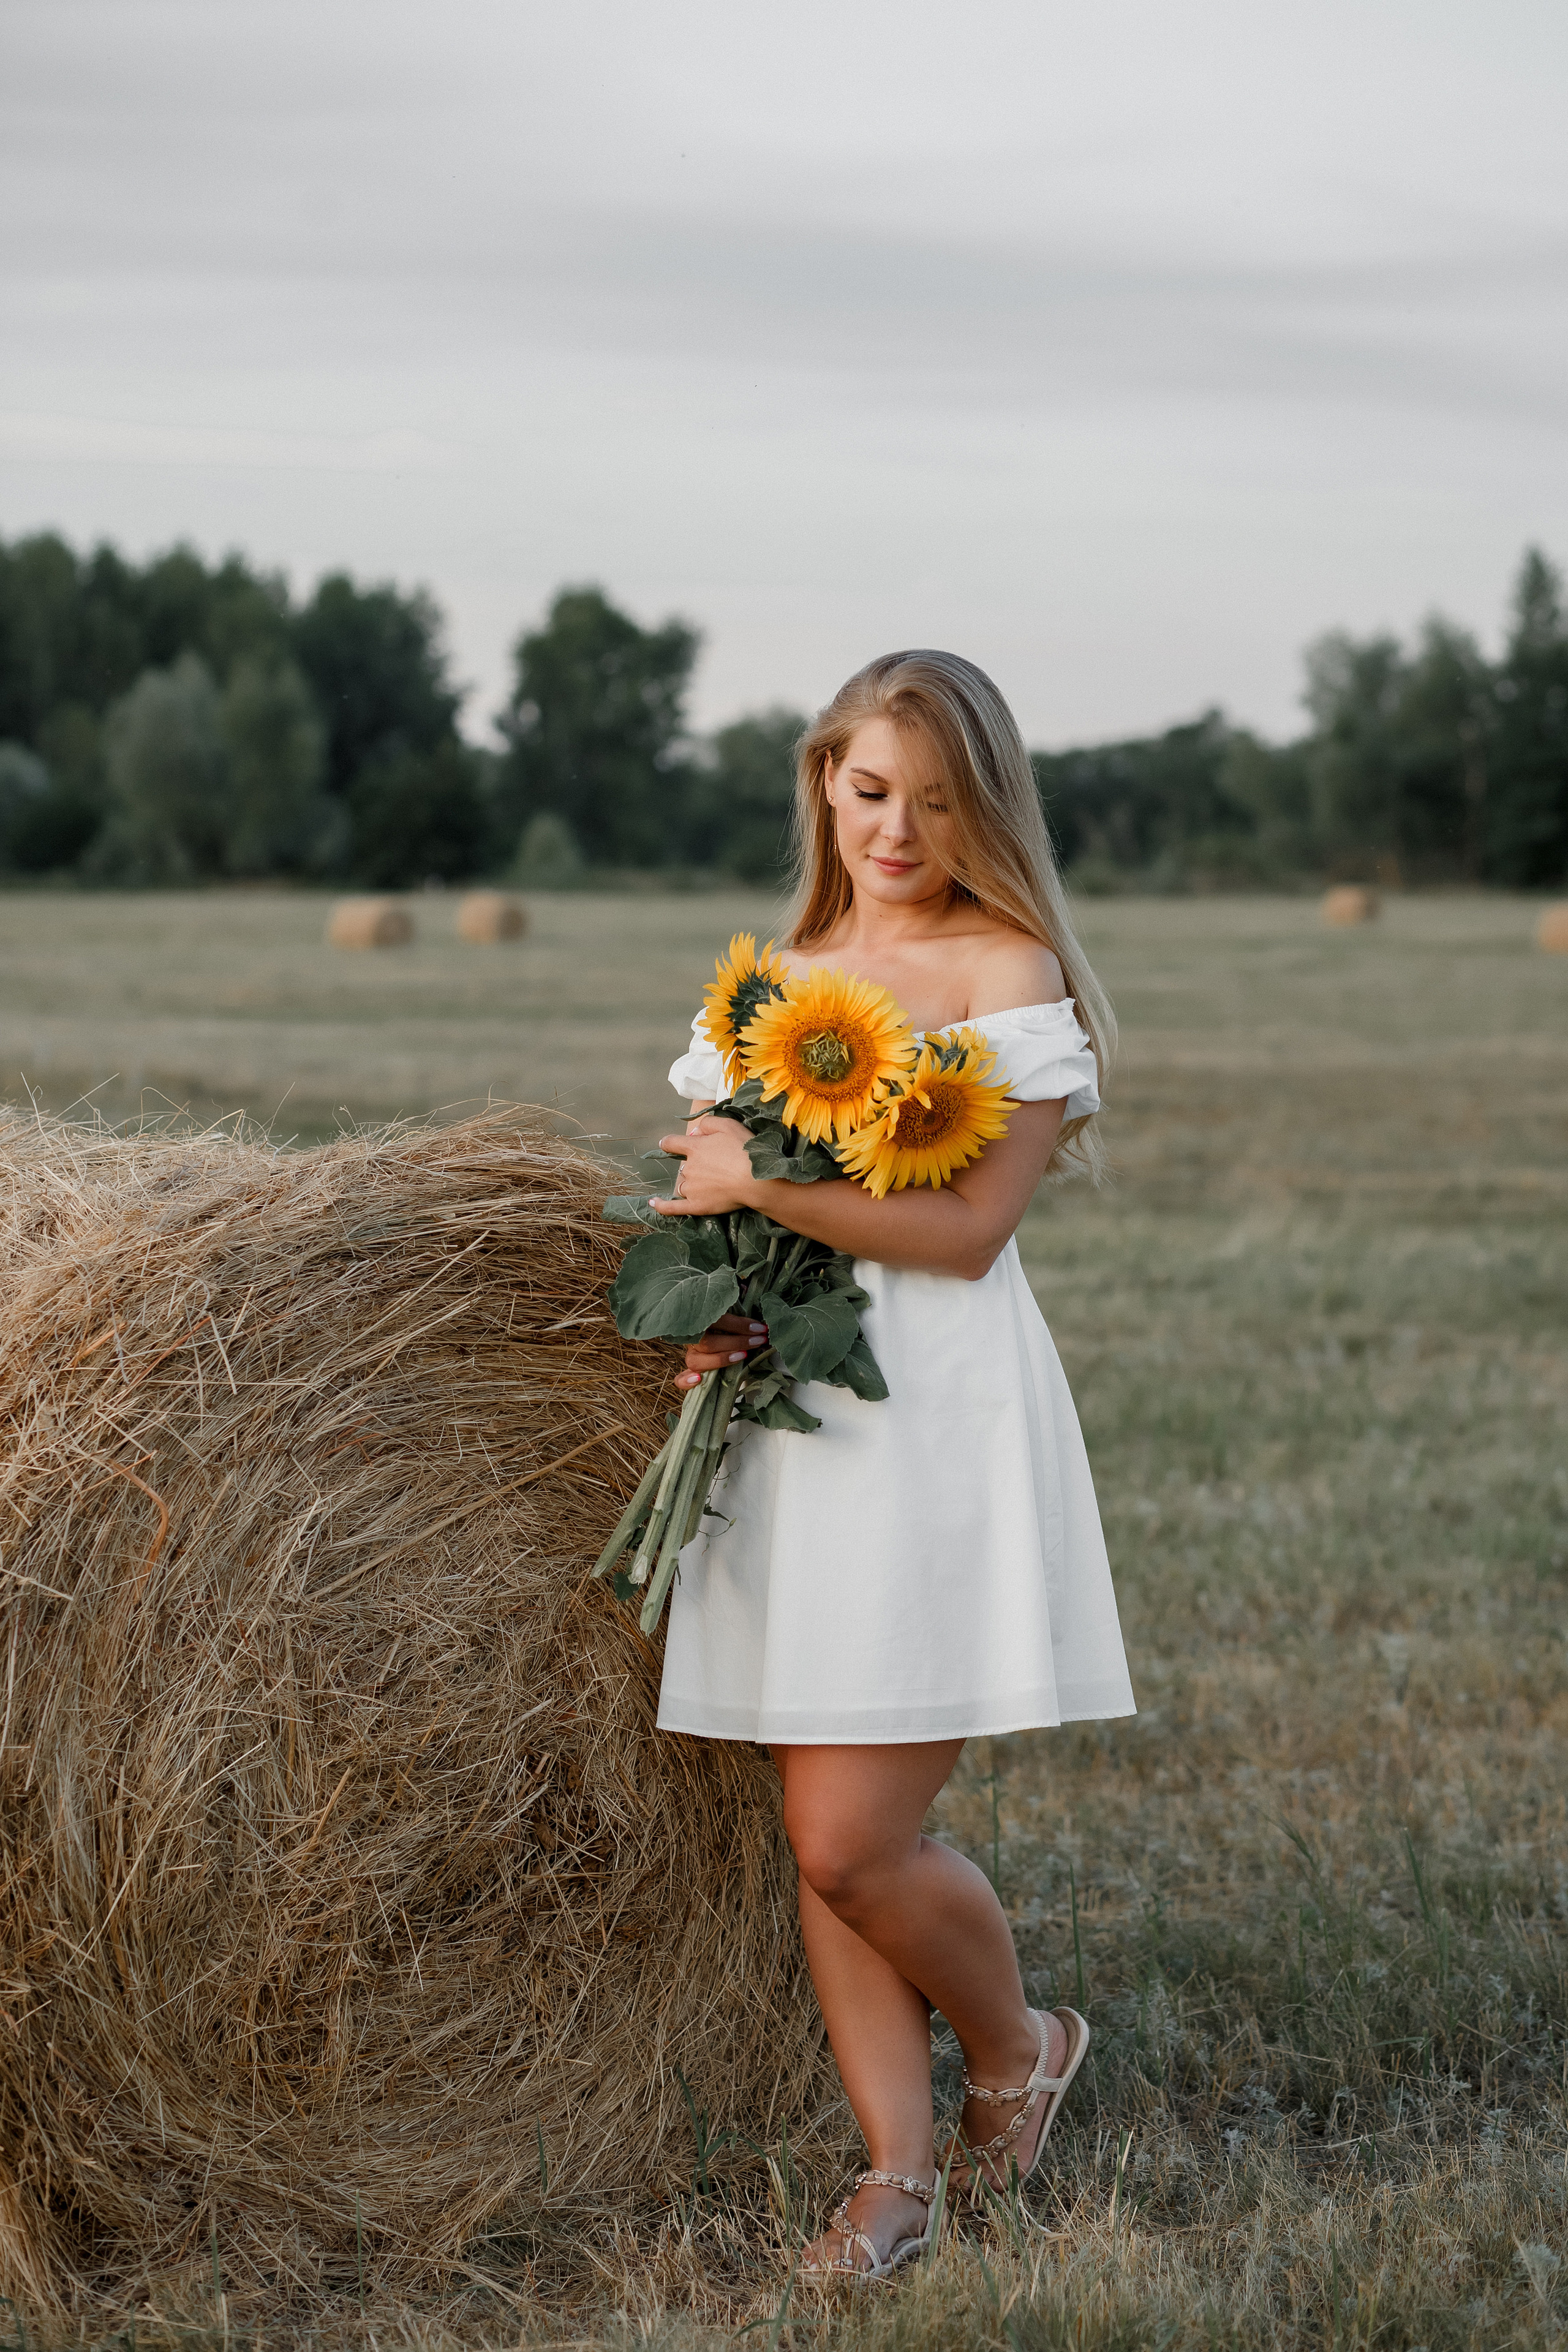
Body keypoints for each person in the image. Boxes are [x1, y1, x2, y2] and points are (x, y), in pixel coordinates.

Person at [652, 650, 1135, 2278]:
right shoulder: (775, 985)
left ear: (983, 807)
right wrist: (705, 1324)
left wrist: (762, 1193)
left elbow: (965, 1231)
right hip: (792, 1430)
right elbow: (702, 1206)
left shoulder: (1009, 975)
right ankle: (896, 2178)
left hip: (934, 1428)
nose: (897, 829)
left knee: (857, 1839)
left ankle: (1018, 2045)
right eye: (871, 793)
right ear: (824, 785)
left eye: (937, 800)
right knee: (815, 1830)